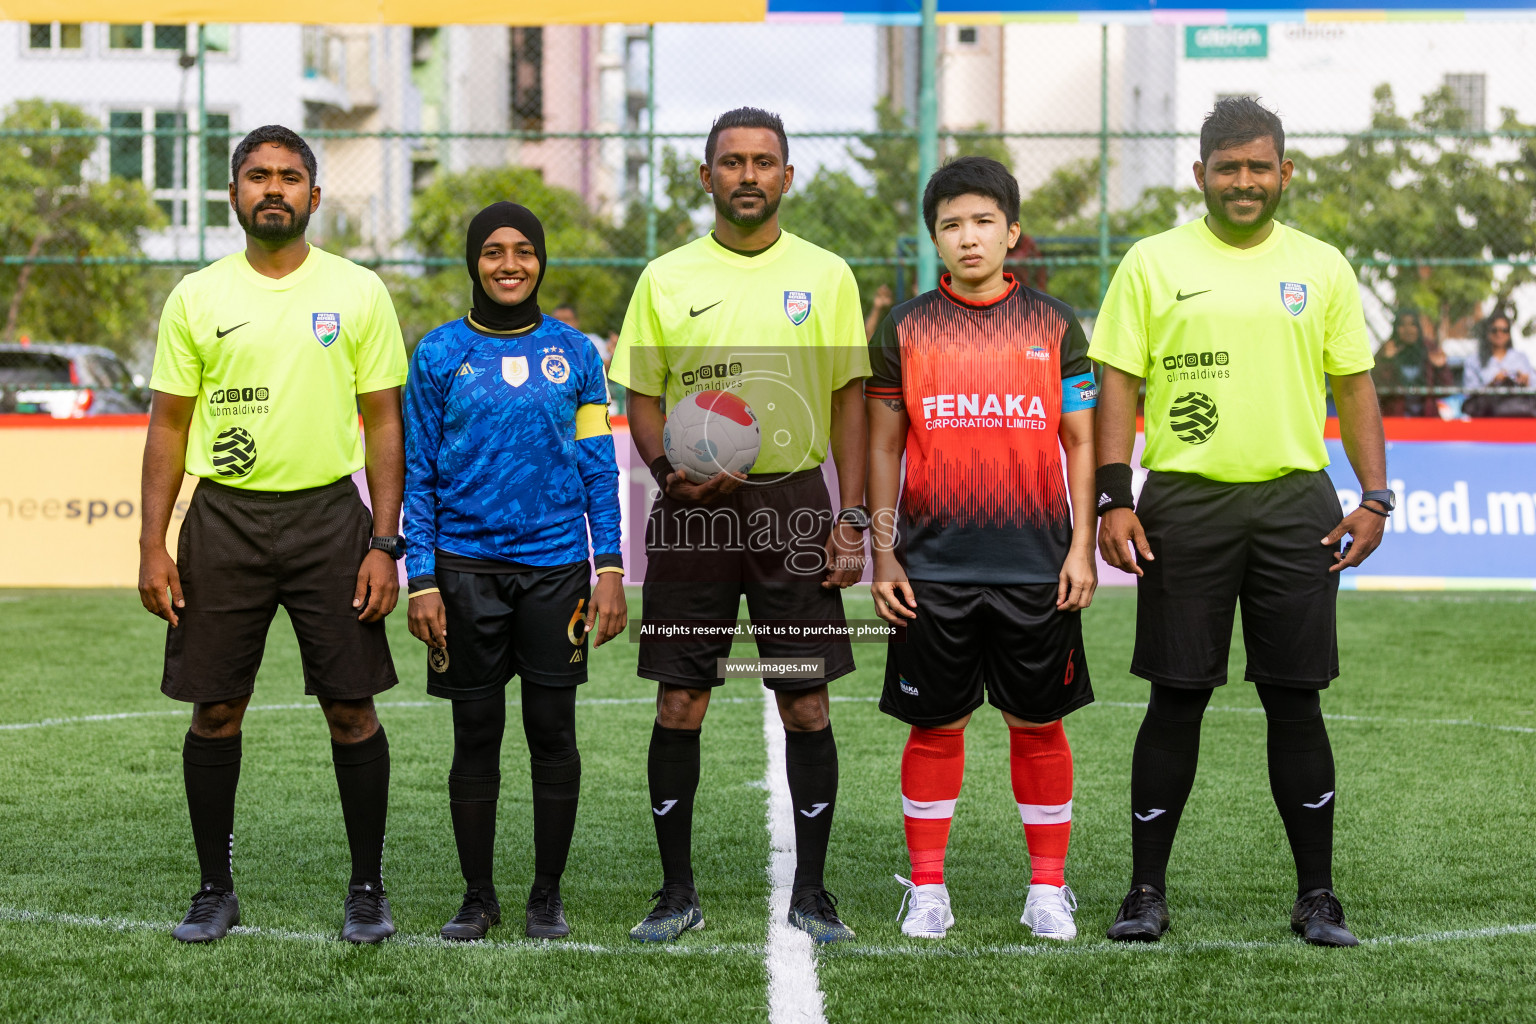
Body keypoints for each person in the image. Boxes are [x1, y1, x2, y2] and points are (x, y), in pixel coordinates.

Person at [1091, 97, 1388, 948]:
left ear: (1285, 172)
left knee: (1296, 702)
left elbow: (1354, 385)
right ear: (1201, 176)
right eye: (1229, 168)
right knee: (1175, 697)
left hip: (1297, 501)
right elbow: (1117, 383)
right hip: (1184, 501)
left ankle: (1318, 896)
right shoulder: (1152, 262)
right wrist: (1115, 496)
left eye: (1261, 167)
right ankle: (1146, 892)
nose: (1246, 182)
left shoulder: (1322, 266)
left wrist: (1374, 495)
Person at [138, 125, 407, 945]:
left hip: (331, 519)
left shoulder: (358, 292)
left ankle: (367, 888)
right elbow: (167, 429)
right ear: (234, 194)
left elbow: (386, 423)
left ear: (315, 196)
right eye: (259, 176)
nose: (275, 189)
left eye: (291, 176)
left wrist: (384, 542)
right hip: (223, 520)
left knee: (351, 709)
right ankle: (214, 889)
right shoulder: (197, 296)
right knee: (215, 709)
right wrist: (154, 543)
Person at [608, 106, 870, 944]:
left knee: (804, 700)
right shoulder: (667, 277)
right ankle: (674, 890)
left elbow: (850, 401)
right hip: (693, 517)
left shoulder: (826, 275)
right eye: (731, 162)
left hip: (792, 508)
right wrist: (663, 476)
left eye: (763, 162)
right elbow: (640, 395)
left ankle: (815, 891)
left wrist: (851, 518)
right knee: (682, 699)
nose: (747, 175)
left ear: (787, 177)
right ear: (706, 176)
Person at [866, 156, 1097, 941]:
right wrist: (884, 552)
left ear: (1013, 231)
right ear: (934, 238)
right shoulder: (903, 326)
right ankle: (928, 890)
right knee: (935, 728)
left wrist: (1081, 547)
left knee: (1039, 726)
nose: (968, 238)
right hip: (932, 569)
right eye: (951, 225)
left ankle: (1047, 889)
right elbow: (885, 445)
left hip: (1037, 562)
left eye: (983, 222)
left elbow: (1081, 442)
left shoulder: (1058, 323)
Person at [403, 202, 626, 941]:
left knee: (552, 731)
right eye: (493, 251)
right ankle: (477, 896)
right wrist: (424, 577)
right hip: (464, 573)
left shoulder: (578, 353)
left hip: (556, 570)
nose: (508, 263)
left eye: (523, 250)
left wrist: (611, 567)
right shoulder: (437, 354)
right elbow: (419, 474)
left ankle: (545, 895)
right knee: (475, 733)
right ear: (474, 262)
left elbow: (600, 465)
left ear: (540, 261)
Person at [1462, 310, 1535, 417]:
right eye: (1494, 330)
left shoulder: (1520, 358)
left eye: (1504, 330)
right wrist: (1493, 383)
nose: (1499, 334)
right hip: (1487, 415)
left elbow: (1533, 385)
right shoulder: (1474, 360)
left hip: (1518, 413)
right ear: (1487, 333)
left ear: (1509, 334)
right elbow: (1469, 393)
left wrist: (1525, 381)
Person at [1371, 311, 1428, 416]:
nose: (1408, 330)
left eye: (1412, 325)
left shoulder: (1428, 349)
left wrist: (1441, 368)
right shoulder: (1387, 349)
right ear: (1396, 328)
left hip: (1425, 415)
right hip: (1395, 415)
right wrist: (1386, 361)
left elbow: (1447, 384)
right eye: (1402, 325)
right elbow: (1375, 385)